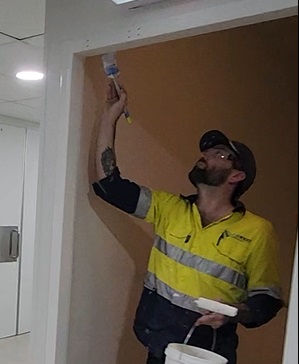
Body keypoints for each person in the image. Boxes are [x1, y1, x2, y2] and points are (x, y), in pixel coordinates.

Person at [92, 82, 283, 364]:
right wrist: (110, 115)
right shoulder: (169, 208)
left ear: (236, 176)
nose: (205, 156)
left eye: (219, 154)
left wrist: (235, 311)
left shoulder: (256, 230)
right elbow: (110, 185)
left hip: (208, 352)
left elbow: (267, 299)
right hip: (159, 345)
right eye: (208, 151)